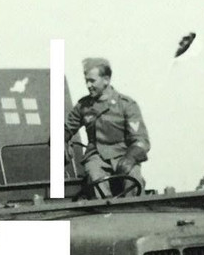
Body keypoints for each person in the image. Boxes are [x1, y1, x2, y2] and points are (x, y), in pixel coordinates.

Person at [64, 57, 151, 197]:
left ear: (106, 79)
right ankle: (104, 212)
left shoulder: (126, 105)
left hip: (123, 154)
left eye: (92, 81)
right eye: (86, 80)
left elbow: (141, 140)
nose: (88, 85)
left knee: (134, 178)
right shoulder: (83, 106)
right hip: (96, 157)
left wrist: (130, 158)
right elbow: (67, 127)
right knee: (94, 176)